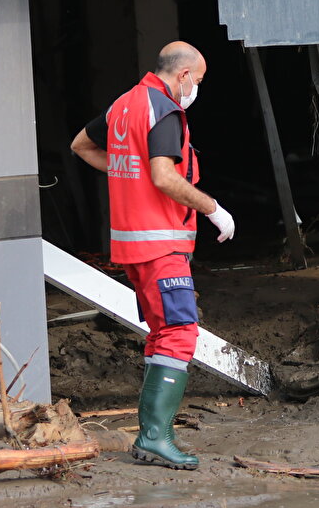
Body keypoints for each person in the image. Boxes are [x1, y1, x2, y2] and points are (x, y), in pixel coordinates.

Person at [70, 41, 235, 470]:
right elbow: (164, 176)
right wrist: (212, 208)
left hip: (132, 241)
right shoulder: (164, 110)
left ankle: (153, 435)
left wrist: (130, 172)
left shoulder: (124, 104)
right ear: (182, 75)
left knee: (163, 332)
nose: (195, 89)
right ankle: (154, 437)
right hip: (160, 242)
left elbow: (81, 146)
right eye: (196, 81)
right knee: (180, 331)